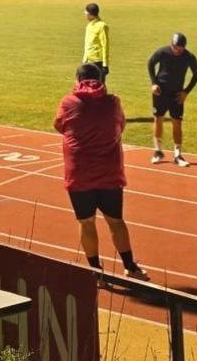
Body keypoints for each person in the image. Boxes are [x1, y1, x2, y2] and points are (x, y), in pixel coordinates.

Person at [53, 63, 149, 282]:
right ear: (101, 80)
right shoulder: (113, 102)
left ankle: (96, 272)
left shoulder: (68, 102)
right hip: (109, 172)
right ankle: (130, 266)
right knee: (116, 221)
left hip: (79, 173)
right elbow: (120, 125)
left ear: (78, 80)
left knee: (86, 222)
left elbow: (59, 126)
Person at [147, 32, 197, 167]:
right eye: (175, 47)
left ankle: (178, 155)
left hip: (177, 95)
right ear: (171, 44)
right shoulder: (163, 52)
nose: (177, 50)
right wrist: (154, 83)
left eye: (180, 48)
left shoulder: (189, 57)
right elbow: (151, 63)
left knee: (177, 123)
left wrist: (186, 92)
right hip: (160, 92)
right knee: (158, 119)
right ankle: (158, 151)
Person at [83, 3, 109, 82]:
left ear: (90, 14)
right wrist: (84, 60)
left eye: (86, 12)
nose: (85, 14)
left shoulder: (102, 26)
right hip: (88, 61)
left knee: (98, 85)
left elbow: (105, 45)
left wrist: (105, 64)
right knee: (87, 84)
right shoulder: (89, 25)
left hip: (97, 61)